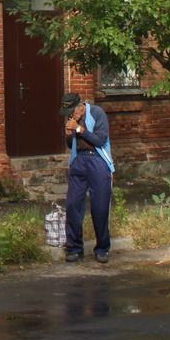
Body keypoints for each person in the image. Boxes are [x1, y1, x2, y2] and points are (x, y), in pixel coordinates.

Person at [60, 92, 114, 263]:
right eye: (69, 113)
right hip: (79, 160)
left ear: (80, 107)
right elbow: (72, 145)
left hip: (97, 160)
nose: (71, 116)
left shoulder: (97, 113)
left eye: (73, 112)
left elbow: (100, 140)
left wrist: (79, 129)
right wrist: (69, 136)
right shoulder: (72, 118)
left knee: (100, 206)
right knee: (73, 205)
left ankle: (102, 249)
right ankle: (74, 248)